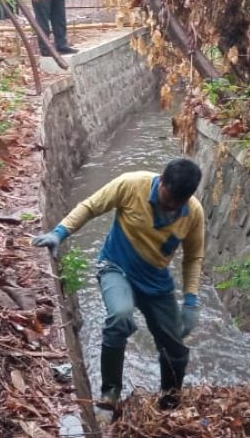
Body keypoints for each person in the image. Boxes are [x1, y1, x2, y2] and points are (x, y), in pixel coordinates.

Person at [32, 159, 204, 418]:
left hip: (156, 280)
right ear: (162, 181)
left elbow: (193, 257)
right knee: (120, 317)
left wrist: (191, 300)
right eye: (166, 198)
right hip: (115, 267)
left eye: (176, 204)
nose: (169, 207)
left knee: (176, 350)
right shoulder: (131, 184)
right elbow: (91, 206)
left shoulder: (193, 213)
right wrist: (60, 232)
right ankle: (110, 394)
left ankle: (169, 406)